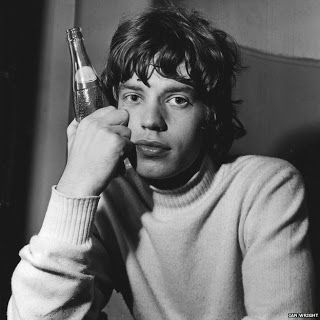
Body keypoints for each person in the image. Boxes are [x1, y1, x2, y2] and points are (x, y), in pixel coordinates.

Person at [8, 5, 315, 320]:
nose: (151, 121)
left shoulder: (267, 186)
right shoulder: (109, 200)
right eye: (134, 97)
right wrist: (75, 186)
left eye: (178, 99)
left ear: (209, 112)